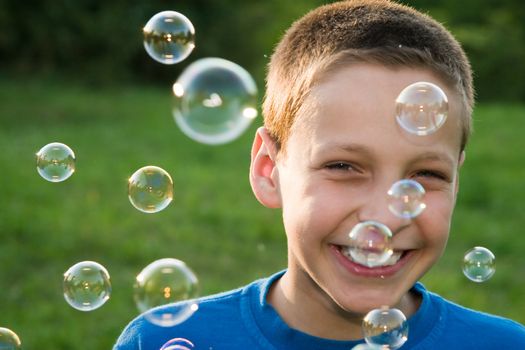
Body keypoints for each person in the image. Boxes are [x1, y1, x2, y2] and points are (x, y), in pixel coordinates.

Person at [114, 1, 525, 349]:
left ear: (457, 179)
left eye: (427, 174)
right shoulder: (162, 340)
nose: (385, 217)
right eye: (343, 167)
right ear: (269, 170)